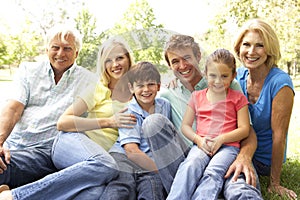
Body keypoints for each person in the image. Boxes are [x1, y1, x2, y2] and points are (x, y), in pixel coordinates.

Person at [0, 29, 135, 199]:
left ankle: (10, 194)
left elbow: (150, 90)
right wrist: (0, 140)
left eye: (67, 48)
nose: (60, 53)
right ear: (47, 49)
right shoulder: (29, 70)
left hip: (52, 152)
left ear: (77, 52)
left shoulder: (90, 80)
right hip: (25, 147)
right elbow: (13, 109)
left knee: (93, 193)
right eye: (55, 47)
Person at [142, 34, 263, 199]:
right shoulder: (166, 94)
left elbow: (247, 130)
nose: (182, 65)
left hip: (228, 152)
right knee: (152, 123)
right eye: (175, 61)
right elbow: (141, 97)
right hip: (194, 154)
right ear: (170, 66)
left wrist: (244, 157)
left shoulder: (227, 84)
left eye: (186, 58)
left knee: (239, 189)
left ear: (198, 56)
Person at [167, 48, 250, 199]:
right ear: (205, 74)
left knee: (212, 172)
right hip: (202, 144)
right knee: (189, 166)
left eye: (224, 76)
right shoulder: (196, 96)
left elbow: (245, 129)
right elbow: (185, 126)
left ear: (233, 76)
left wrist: (221, 139)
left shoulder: (238, 98)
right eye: (213, 76)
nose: (218, 81)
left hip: (228, 148)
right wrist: (198, 140)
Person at [234, 19, 297, 200]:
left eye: (259, 46)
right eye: (246, 44)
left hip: (262, 160)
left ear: (269, 50)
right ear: (239, 47)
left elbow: (279, 136)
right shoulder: (238, 76)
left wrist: (274, 183)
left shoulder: (280, 83)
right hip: (239, 148)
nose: (251, 52)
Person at [101, 61, 169, 200]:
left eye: (151, 84)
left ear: (158, 86)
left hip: (148, 159)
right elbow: (131, 151)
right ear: (131, 88)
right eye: (140, 85)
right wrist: (160, 169)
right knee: (122, 184)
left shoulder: (164, 105)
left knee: (153, 187)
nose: (146, 90)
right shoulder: (129, 112)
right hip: (124, 156)